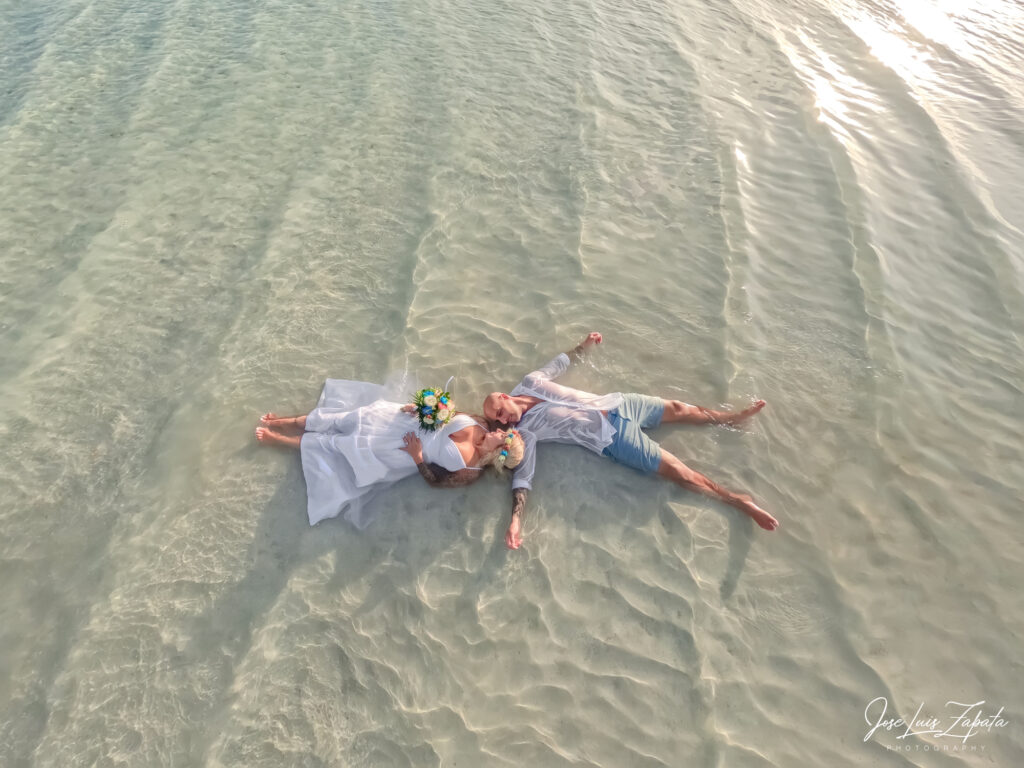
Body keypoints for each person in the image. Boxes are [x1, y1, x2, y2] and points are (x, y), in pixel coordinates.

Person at [483, 333, 778, 549]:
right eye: (497, 420)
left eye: (499, 411)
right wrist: (515, 519)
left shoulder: (530, 382)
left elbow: (558, 364)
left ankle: (730, 419)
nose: (503, 420)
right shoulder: (523, 432)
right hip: (613, 439)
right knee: (679, 472)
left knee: (680, 408)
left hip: (620, 404)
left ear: (505, 396)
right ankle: (739, 501)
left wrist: (584, 346)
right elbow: (524, 475)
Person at [257, 379, 524, 528]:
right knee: (343, 418)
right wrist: (423, 409)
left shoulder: (470, 472)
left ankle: (277, 439)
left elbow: (435, 481)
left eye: (505, 436)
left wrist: (417, 456)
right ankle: (281, 422)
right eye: (505, 431)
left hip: (401, 449)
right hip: (403, 423)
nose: (502, 430)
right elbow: (451, 414)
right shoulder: (482, 423)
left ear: (500, 450)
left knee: (336, 445)